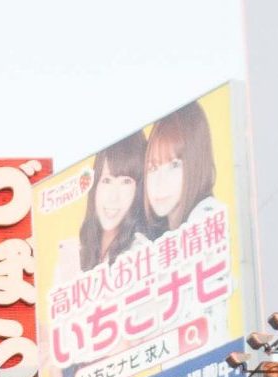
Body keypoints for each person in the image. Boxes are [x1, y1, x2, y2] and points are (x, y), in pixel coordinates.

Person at [141, 98, 218, 240]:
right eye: (153, 168)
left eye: (174, 165)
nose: (160, 183)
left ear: (196, 163)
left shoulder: (206, 217)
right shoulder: (159, 234)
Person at [73, 133, 148, 276]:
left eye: (126, 182)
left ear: (138, 190)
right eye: (107, 180)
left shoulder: (140, 252)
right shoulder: (79, 249)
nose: (113, 197)